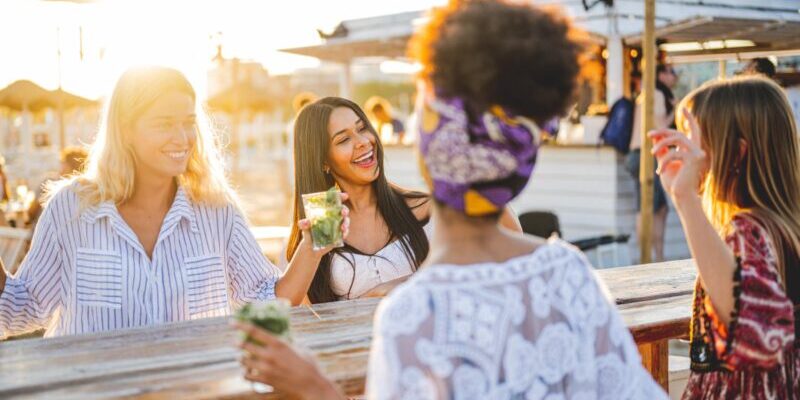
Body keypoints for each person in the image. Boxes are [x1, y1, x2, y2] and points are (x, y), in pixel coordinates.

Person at [235, 1, 668, 399]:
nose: (364, 143)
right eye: (344, 139)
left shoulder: (411, 316)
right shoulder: (568, 273)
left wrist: (314, 388)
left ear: (426, 140)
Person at [0, 66, 338, 338]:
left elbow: (270, 302)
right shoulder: (70, 208)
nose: (182, 138)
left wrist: (313, 245)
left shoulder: (217, 210)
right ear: (125, 130)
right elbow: (18, 310)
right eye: (164, 125)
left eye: (188, 123)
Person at [282, 96, 524, 304]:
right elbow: (299, 313)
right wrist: (311, 251)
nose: (364, 141)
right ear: (323, 161)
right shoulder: (323, 225)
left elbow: (513, 249)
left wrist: (401, 286)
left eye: (362, 128)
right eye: (343, 140)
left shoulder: (427, 208)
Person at [650, 76, 799, 398]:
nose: (683, 149)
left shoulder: (749, 232)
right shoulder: (786, 225)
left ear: (736, 153)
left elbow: (749, 328)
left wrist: (686, 200)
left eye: (694, 139)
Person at [626, 63, 678, 262]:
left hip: (642, 154)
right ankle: (647, 258)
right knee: (646, 208)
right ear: (661, 75)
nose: (675, 76)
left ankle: (657, 255)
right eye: (672, 72)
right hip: (644, 155)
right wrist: (676, 109)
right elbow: (661, 126)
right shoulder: (656, 94)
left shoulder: (648, 93)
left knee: (660, 208)